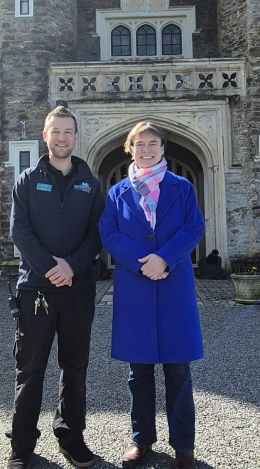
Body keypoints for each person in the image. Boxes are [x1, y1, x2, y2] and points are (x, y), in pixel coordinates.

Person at [99, 122, 205, 469]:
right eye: (140, 144)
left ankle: (183, 447)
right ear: (130, 148)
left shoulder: (183, 187)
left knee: (178, 372)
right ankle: (141, 441)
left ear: (162, 148)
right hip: (136, 285)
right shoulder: (117, 193)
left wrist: (166, 258)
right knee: (139, 373)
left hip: (174, 285)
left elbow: (194, 227)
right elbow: (109, 232)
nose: (147, 149)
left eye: (153, 143)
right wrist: (142, 263)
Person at [7, 106, 105, 469]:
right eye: (55, 131)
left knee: (74, 368)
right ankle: (21, 445)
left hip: (78, 291)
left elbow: (97, 233)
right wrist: (51, 269)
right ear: (45, 136)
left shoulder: (90, 183)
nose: (62, 137)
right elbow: (20, 232)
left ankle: (70, 437)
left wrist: (73, 266)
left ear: (76, 138)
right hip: (36, 290)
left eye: (68, 132)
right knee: (30, 369)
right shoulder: (28, 180)